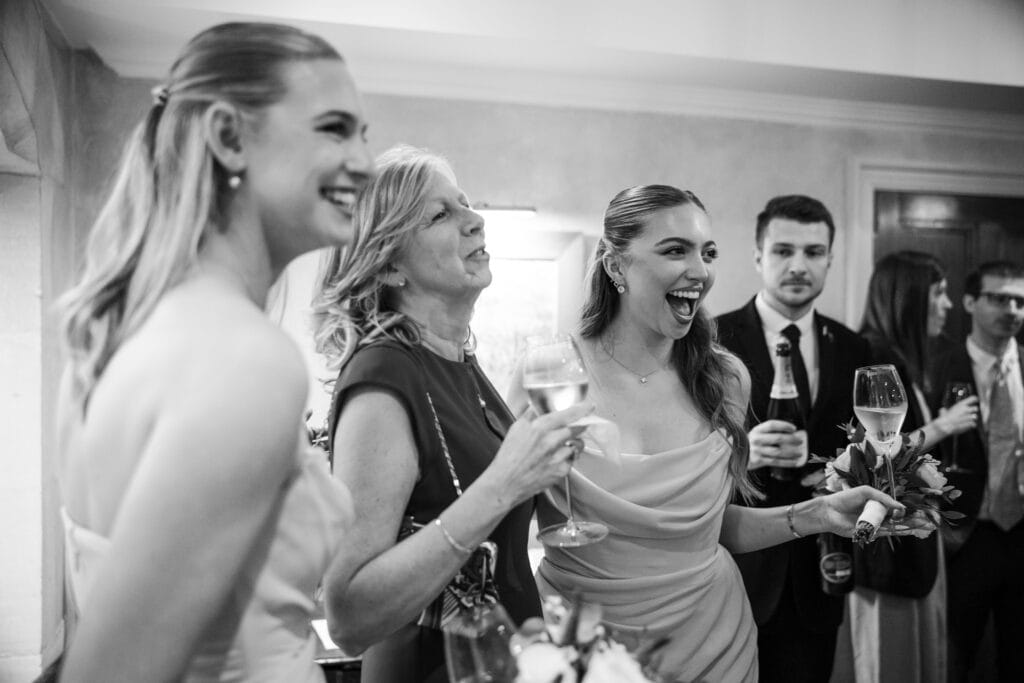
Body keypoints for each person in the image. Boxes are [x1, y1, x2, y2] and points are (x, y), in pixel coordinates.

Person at [53, 23, 373, 682]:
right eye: (335, 129)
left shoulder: (118, 331)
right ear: (229, 137)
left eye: (362, 134)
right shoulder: (245, 361)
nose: (366, 162)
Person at [507, 184, 915, 683]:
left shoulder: (725, 378)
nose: (699, 271)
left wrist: (817, 514)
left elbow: (708, 531)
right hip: (581, 644)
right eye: (675, 250)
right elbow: (503, 531)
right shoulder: (550, 374)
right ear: (616, 266)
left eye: (708, 252)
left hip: (714, 645)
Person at [313, 145, 590, 683]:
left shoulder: (458, 362)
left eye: (464, 204)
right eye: (441, 215)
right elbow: (347, 615)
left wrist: (544, 466)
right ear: (389, 262)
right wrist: (507, 482)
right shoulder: (384, 374)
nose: (475, 220)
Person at [715, 195, 871, 682]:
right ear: (759, 256)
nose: (799, 265)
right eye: (783, 251)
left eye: (813, 252)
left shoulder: (854, 348)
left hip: (822, 568)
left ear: (829, 259)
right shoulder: (709, 342)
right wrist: (736, 451)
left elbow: (872, 447)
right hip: (733, 569)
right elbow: (675, 447)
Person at [846, 250, 979, 683]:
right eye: (939, 294)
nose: (949, 305)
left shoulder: (908, 359)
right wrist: (944, 425)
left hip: (911, 542)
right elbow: (874, 452)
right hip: (889, 549)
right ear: (910, 298)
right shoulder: (877, 356)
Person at [932, 261, 1024, 682]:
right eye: (999, 298)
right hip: (965, 535)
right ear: (969, 302)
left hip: (1022, 533)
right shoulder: (938, 367)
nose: (1011, 309)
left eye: (1020, 301)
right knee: (955, 655)